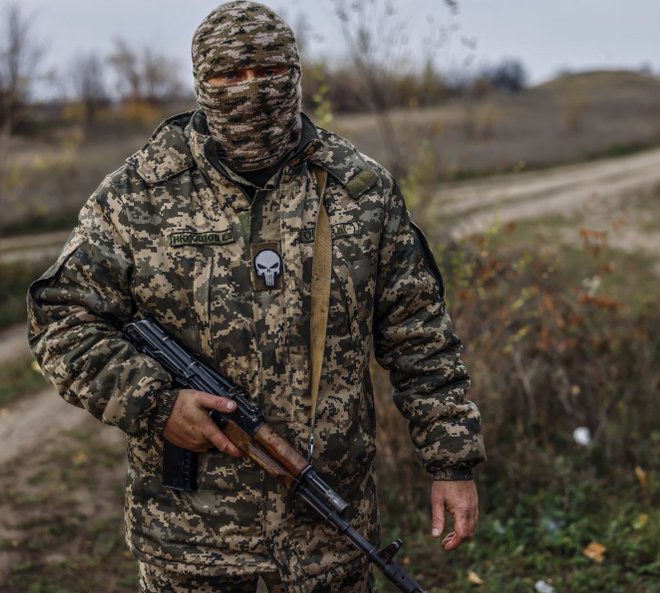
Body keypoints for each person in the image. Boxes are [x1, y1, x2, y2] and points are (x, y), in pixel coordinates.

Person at [26, 2, 485, 592]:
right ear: (201, 83)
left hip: (330, 532)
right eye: (229, 76)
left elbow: (419, 335)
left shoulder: (357, 190)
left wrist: (451, 463)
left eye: (269, 70)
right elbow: (59, 321)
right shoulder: (138, 194)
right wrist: (158, 404)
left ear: (295, 73)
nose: (252, 88)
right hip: (191, 544)